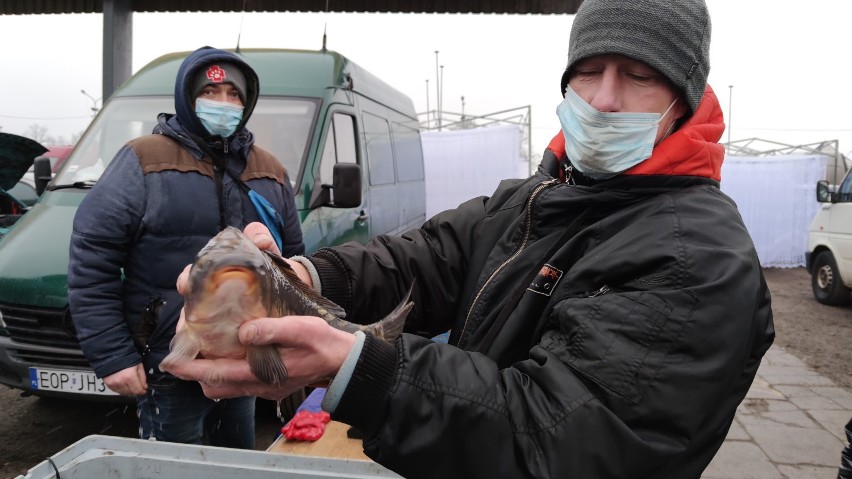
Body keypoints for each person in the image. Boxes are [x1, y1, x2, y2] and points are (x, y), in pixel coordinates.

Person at [164, 1, 775, 476]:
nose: (604, 99)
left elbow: (556, 439)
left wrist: (360, 369)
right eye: (587, 71)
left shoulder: (697, 258)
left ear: (683, 101)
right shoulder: (539, 195)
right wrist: (303, 278)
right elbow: (426, 258)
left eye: (639, 76)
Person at [67, 46, 305, 448]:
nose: (224, 103)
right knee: (170, 467)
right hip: (169, 358)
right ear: (187, 97)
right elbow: (92, 265)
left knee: (237, 463)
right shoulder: (143, 160)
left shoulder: (269, 169)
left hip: (243, 355)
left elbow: (294, 267)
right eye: (212, 93)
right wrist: (114, 356)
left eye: (235, 95)